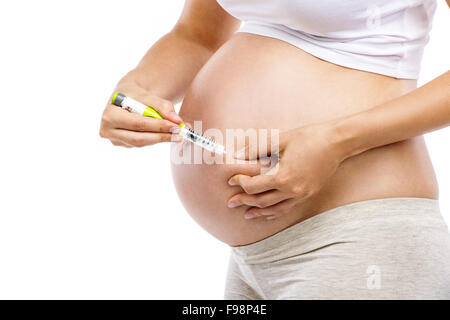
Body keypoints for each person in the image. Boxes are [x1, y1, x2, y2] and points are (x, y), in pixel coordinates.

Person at [100, 0, 450, 299]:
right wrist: (136, 88)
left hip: (358, 235)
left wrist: (336, 140)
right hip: (249, 259)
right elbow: (197, 36)